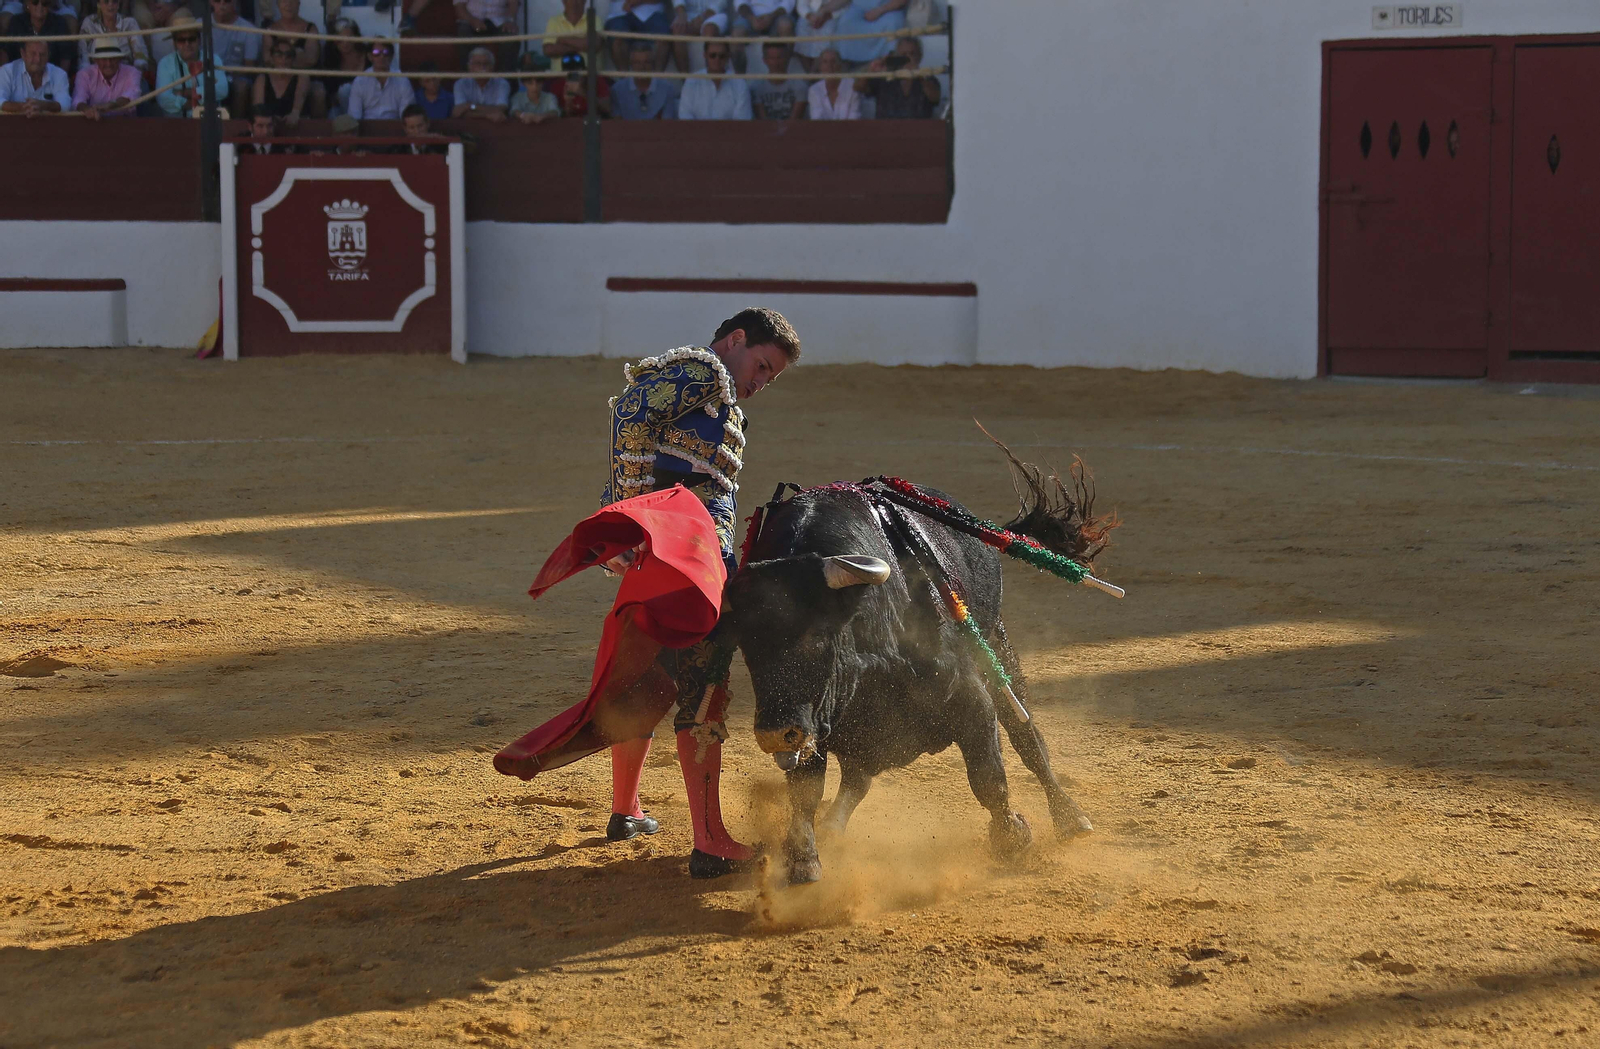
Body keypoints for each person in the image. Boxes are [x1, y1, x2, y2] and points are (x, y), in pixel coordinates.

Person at [551, 308, 799, 880]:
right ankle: (710, 841)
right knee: (704, 679)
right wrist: (633, 516)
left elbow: (650, 445)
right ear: (736, 340)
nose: (760, 382)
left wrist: (630, 519)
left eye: (771, 378)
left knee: (642, 676)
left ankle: (625, 809)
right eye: (761, 365)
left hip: (670, 552)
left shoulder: (718, 396)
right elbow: (632, 416)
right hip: (681, 555)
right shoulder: (706, 370)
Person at [157, 12, 229, 116]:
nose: (187, 44)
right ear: (174, 43)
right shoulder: (165, 63)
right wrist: (198, 102)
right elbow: (163, 99)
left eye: (191, 39)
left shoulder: (213, 59)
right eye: (181, 40)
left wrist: (184, 93)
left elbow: (223, 90)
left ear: (199, 40)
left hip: (209, 123)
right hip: (176, 125)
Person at [854, 33, 937, 118]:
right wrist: (871, 69)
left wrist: (919, 75)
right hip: (885, 129)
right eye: (903, 55)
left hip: (920, 130)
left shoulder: (928, 79)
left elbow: (935, 97)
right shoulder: (884, 77)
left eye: (912, 54)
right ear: (897, 57)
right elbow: (858, 88)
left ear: (920, 56)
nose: (908, 58)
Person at [265, 0, 324, 116]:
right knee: (260, 81)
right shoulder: (269, 30)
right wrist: (298, 54)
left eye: (292, 1)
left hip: (306, 78)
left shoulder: (310, 28)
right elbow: (268, 60)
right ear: (278, 5)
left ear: (298, 3)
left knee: (319, 91)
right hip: (277, 77)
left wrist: (280, 58)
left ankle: (320, 131)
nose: (288, 4)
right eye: (284, 1)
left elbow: (311, 60)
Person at [207, 0, 261, 117]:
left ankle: (235, 127)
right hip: (205, 74)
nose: (222, 5)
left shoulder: (249, 30)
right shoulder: (199, 25)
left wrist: (223, 73)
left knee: (242, 86)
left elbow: (249, 67)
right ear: (211, 1)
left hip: (234, 76)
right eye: (217, 1)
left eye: (227, 1)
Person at [677, 39, 749, 120]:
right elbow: (685, 115)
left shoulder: (739, 83)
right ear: (705, 55)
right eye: (712, 55)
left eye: (722, 56)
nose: (717, 59)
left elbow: (742, 119)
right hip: (697, 132)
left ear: (728, 57)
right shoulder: (692, 81)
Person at [346, 37, 412, 122]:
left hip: (394, 129)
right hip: (367, 129)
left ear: (391, 57)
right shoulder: (360, 81)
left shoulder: (402, 80)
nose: (381, 56)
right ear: (370, 56)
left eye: (385, 52)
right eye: (376, 53)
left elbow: (406, 116)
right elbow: (354, 116)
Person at [73, 38, 141, 119]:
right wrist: (87, 110)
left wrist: (111, 105)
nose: (108, 63)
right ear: (96, 60)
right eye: (104, 59)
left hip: (125, 124)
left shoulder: (132, 72)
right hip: (94, 124)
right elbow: (78, 99)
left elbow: (133, 94)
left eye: (113, 58)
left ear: (119, 59)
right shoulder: (84, 74)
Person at [5, 0, 76, 76]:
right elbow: (5, 51)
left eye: (44, 4)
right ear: (28, 4)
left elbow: (66, 56)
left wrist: (60, 78)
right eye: (35, 2)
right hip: (18, 76)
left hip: (51, 77)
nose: (40, 7)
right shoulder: (16, 22)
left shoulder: (60, 23)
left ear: (49, 6)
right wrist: (6, 77)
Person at [79, 0, 150, 77]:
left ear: (119, 4)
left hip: (126, 75)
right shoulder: (89, 23)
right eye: (106, 2)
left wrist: (133, 77)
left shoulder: (130, 23)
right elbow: (83, 58)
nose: (111, 5)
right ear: (99, 4)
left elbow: (140, 56)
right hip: (96, 76)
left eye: (114, 1)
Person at [0, 38, 69, 116]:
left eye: (42, 54)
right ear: (23, 54)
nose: (37, 59)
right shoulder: (7, 71)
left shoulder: (59, 74)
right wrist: (24, 107)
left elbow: (65, 105)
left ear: (48, 55)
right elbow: (0, 101)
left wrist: (42, 105)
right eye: (33, 54)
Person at [610, 42, 676, 121]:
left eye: (647, 62)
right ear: (630, 64)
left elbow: (667, 124)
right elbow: (617, 125)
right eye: (637, 63)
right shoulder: (617, 90)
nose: (642, 67)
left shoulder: (667, 89)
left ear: (653, 64)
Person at [251, 36, 310, 125]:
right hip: (267, 126)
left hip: (296, 127)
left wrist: (294, 114)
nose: (284, 59)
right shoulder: (262, 78)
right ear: (271, 58)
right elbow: (258, 109)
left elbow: (297, 109)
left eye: (288, 55)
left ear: (293, 59)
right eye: (279, 54)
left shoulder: (302, 77)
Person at [605, 0, 673, 73]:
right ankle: (624, 81)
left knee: (663, 38)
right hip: (620, 13)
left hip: (653, 12)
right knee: (618, 38)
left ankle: (656, 81)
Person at [453, 0, 519, 72]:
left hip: (499, 21)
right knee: (464, 33)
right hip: (472, 20)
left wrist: (510, 20)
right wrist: (472, 21)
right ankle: (466, 78)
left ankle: (506, 79)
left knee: (510, 36)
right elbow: (459, 6)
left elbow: (513, 2)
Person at [832, 0, 905, 65]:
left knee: (893, 22)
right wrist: (824, 9)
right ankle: (849, 61)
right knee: (845, 23)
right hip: (859, 9)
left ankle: (888, 60)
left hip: (888, 9)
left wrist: (879, 10)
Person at [730, 0, 793, 72]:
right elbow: (740, 2)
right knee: (737, 34)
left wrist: (772, 16)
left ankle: (783, 76)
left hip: (778, 15)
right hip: (749, 17)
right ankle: (740, 80)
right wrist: (751, 18)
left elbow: (789, 2)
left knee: (785, 26)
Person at [450, 45, 508, 122]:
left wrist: (470, 106)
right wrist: (487, 115)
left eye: (486, 64)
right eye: (478, 63)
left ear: (492, 67)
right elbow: (458, 113)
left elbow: (500, 110)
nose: (482, 67)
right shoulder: (460, 84)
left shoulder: (502, 83)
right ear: (469, 67)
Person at [320, 17, 365, 116]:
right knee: (333, 113)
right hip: (342, 107)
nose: (345, 44)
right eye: (340, 40)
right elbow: (331, 94)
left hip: (365, 104)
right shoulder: (330, 60)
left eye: (349, 39)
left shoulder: (367, 56)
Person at [750, 40, 804, 120]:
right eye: (772, 58)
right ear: (765, 60)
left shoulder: (800, 86)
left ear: (787, 58)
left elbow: (794, 121)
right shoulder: (757, 87)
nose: (776, 63)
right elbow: (762, 121)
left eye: (780, 58)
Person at [669, 0, 727, 74]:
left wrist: (703, 17)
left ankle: (709, 77)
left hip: (715, 14)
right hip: (689, 13)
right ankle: (685, 80)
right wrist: (681, 14)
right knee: (678, 29)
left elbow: (721, 2)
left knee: (709, 30)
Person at [805, 45, 856, 118]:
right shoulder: (814, 90)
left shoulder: (852, 87)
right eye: (825, 62)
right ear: (820, 67)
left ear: (840, 66)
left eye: (833, 61)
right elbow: (816, 121)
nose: (829, 66)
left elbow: (854, 119)